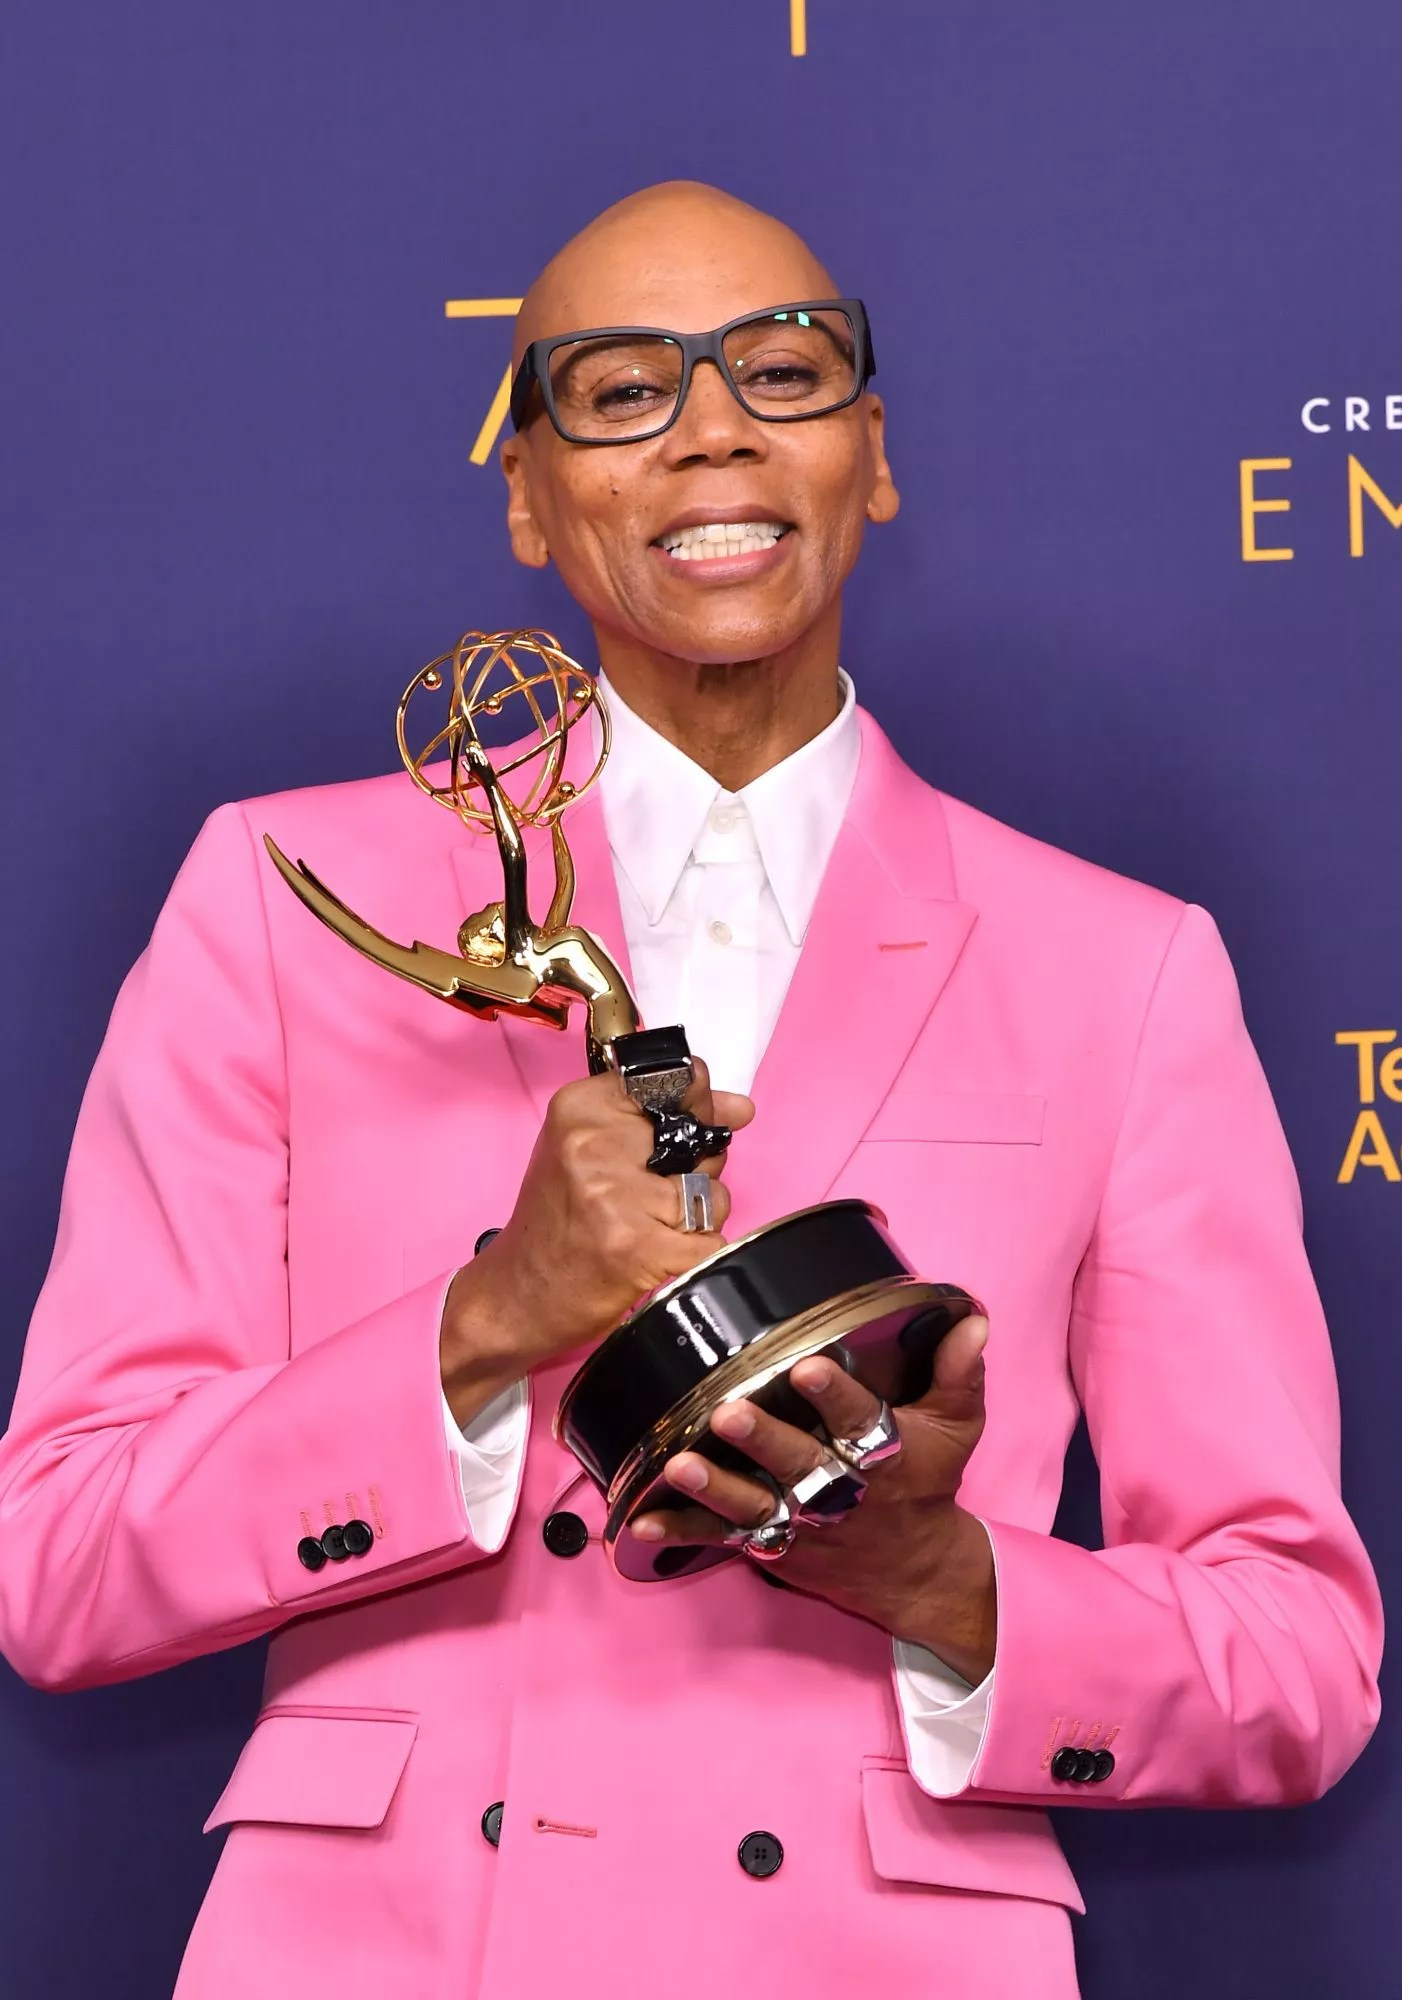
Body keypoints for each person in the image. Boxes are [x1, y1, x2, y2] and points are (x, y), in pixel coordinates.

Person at [0, 182, 1382, 2000]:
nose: (713, 425)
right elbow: (64, 1564)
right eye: (621, 387)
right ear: (526, 492)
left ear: (868, 458)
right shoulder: (283, 900)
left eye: (782, 372)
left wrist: (938, 1579)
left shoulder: (1119, 970)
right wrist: (485, 1323)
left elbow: (1295, 1656)